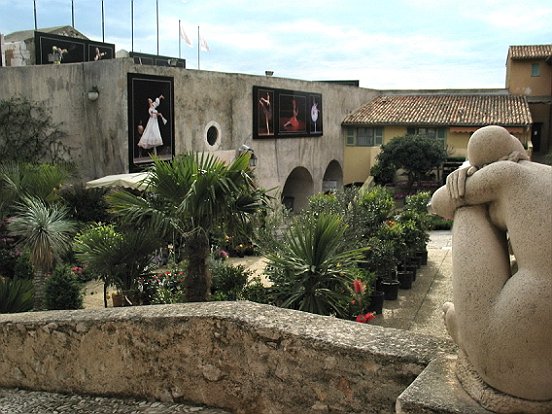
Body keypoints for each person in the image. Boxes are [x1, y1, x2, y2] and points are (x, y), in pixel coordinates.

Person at [429, 125, 552, 405]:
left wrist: (465, 177)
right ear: (516, 148)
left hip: (513, 364)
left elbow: (440, 203)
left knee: (467, 207)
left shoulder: (506, 174)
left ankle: (470, 334)